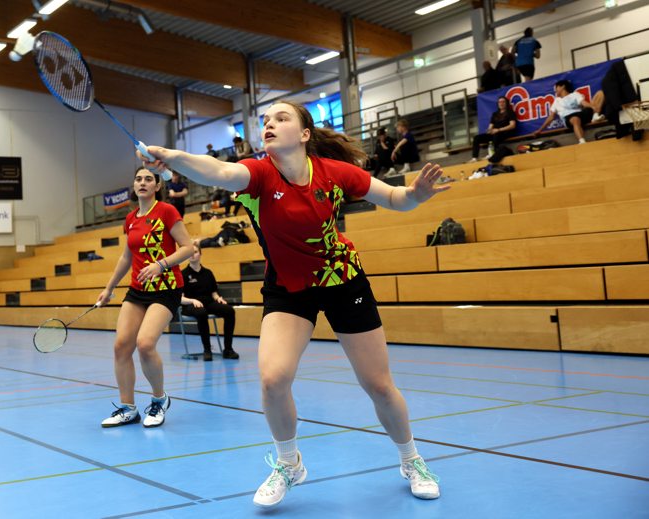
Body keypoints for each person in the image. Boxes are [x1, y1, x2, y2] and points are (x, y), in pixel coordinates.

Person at [140, 100, 448, 508]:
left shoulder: (334, 173)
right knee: (273, 378)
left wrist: (417, 194)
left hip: (341, 279)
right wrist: (173, 156)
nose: (269, 124)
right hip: (287, 287)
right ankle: (289, 463)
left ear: (304, 134)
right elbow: (218, 170)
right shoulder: (257, 173)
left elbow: (394, 198)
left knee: (378, 384)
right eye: (264, 121)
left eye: (280, 119)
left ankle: (412, 460)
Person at [96, 168, 194, 429]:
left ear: (157, 186)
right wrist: (109, 287)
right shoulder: (129, 219)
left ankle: (159, 400)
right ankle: (128, 408)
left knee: (146, 344)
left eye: (148, 179)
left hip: (166, 287)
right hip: (138, 289)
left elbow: (188, 248)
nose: (142, 182)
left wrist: (161, 264)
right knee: (121, 346)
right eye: (138, 179)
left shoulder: (166, 212)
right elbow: (126, 256)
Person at [180, 241, 239, 361]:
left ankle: (228, 349)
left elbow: (214, 293)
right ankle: (207, 349)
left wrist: (219, 299)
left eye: (195, 252)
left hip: (208, 303)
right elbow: (180, 298)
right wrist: (192, 301)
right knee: (201, 313)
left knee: (229, 311)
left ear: (200, 254)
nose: (192, 255)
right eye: (190, 253)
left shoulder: (208, 273)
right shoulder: (183, 274)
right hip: (190, 306)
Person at [531, 79, 602, 144]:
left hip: (581, 114)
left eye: (556, 88)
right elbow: (551, 117)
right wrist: (540, 130)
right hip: (568, 118)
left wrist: (593, 108)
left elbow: (583, 103)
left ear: (562, 87)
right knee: (575, 119)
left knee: (600, 93)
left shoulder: (575, 94)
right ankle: (582, 141)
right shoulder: (557, 101)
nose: (555, 90)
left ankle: (595, 116)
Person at [470, 96, 517, 162]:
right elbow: (490, 126)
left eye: (503, 102)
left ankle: (492, 154)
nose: (501, 103)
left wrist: (498, 130)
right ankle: (474, 158)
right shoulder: (495, 114)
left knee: (496, 134)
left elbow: (512, 125)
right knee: (476, 138)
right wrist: (489, 130)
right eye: (499, 102)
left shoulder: (510, 112)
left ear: (506, 103)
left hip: (505, 132)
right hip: (495, 133)